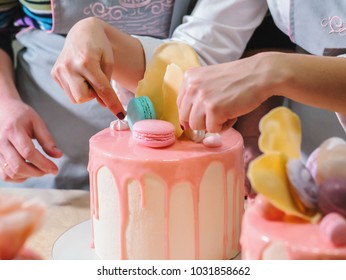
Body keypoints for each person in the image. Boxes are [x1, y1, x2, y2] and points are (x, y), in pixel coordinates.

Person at [1, 0, 277, 190]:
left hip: (193, 166)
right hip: (48, 164)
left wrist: (253, 133)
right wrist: (4, 104)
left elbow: (233, 41)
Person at [176, 0, 346, 161]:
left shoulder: (271, 70)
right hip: (317, 154)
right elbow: (208, 41)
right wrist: (150, 58)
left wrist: (271, 71)